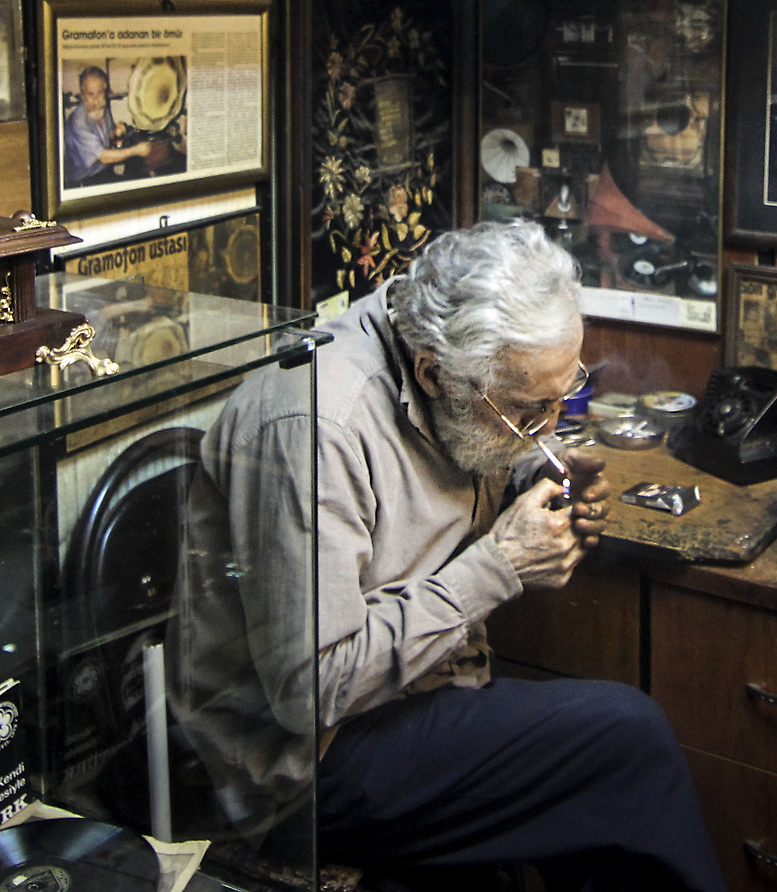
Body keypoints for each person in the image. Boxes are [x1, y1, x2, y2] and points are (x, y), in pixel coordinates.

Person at [174, 222, 724, 892]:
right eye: (529, 411)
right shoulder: (317, 425)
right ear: (432, 372)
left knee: (604, 810)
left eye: (561, 399)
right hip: (297, 770)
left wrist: (532, 473)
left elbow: (476, 438)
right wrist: (499, 563)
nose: (546, 426)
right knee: (625, 739)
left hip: (421, 695)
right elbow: (311, 688)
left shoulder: (450, 361)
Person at [63, 66, 160, 188]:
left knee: (139, 180)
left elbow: (107, 137)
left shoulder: (102, 108)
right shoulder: (78, 122)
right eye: (90, 94)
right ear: (82, 95)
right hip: (84, 181)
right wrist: (136, 150)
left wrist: (116, 133)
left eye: (100, 93)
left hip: (102, 171)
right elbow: (103, 157)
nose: (96, 100)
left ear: (105, 92)